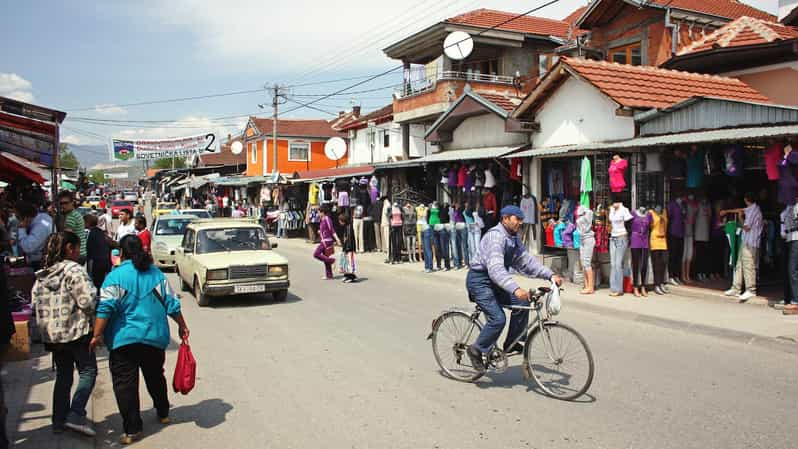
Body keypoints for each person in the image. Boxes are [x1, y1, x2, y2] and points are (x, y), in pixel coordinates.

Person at [90, 235, 189, 445]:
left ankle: (133, 429)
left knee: (125, 384)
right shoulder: (157, 275)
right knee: (155, 376)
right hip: (153, 338)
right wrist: (182, 325)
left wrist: (97, 334)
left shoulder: (114, 277)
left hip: (123, 340)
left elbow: (106, 308)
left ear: (121, 254)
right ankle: (163, 412)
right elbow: (172, 304)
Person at [465, 205, 563, 372]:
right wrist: (515, 288)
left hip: (496, 282)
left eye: (521, 219)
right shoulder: (496, 237)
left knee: (523, 303)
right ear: (505, 219)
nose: (520, 222)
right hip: (480, 281)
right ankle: (476, 349)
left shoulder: (513, 238)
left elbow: (526, 262)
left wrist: (549, 275)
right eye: (516, 219)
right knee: (498, 319)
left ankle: (511, 344)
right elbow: (495, 269)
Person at [31, 231, 98, 436]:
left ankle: (58, 421)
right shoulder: (74, 270)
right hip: (76, 332)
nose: (79, 252)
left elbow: (34, 303)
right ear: (69, 248)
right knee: (88, 371)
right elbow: (88, 301)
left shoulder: (44, 273)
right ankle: (75, 413)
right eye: (77, 248)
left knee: (63, 376)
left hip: (53, 336)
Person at [722, 192, 764, 301]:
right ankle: (736, 288)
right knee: (739, 264)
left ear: (746, 199)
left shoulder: (754, 212)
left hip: (751, 243)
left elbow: (746, 227)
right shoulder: (751, 208)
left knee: (748, 266)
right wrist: (727, 211)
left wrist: (740, 218)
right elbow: (740, 210)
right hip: (746, 242)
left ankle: (751, 290)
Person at [17, 202, 53, 270]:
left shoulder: (40, 228)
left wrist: (21, 228)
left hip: (39, 263)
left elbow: (27, 247)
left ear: (25, 218)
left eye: (17, 217)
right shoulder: (42, 217)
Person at [608, 201, 633, 297]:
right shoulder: (612, 210)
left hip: (621, 237)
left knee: (618, 264)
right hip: (613, 237)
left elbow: (629, 222)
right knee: (613, 264)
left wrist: (627, 235)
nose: (613, 204)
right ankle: (613, 288)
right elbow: (610, 220)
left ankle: (619, 289)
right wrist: (611, 210)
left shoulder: (624, 210)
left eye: (615, 202)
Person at [59, 191, 87, 263]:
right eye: (61, 203)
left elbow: (66, 237)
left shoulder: (71, 216)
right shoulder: (76, 214)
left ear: (72, 202)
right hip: (80, 252)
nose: (63, 206)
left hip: (75, 254)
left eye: (66, 203)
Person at [313, 205, 340, 280]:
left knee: (316, 254)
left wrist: (337, 239)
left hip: (327, 241)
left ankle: (332, 261)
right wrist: (320, 232)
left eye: (318, 212)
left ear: (322, 212)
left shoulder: (327, 219)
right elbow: (324, 230)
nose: (318, 214)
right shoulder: (322, 219)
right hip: (323, 240)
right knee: (325, 257)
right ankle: (329, 275)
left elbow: (332, 230)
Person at [85, 214, 111, 292]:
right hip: (105, 261)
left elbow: (89, 249)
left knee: (97, 284)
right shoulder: (99, 231)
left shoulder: (92, 233)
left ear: (88, 223)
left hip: (97, 263)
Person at [576, 206, 595, 294]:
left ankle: (590, 287)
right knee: (583, 263)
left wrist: (584, 209)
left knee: (587, 263)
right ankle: (586, 285)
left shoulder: (588, 213)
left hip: (588, 239)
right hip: (581, 239)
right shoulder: (581, 216)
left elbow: (590, 212)